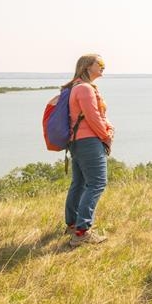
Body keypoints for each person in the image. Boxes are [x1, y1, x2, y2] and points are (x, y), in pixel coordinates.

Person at [63, 53, 115, 248]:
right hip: (88, 142)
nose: (103, 66)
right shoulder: (85, 89)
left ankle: (73, 224)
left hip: (77, 142)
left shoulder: (76, 86)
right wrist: (106, 136)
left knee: (79, 183)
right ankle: (82, 232)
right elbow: (92, 117)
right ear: (87, 67)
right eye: (99, 64)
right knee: (97, 183)